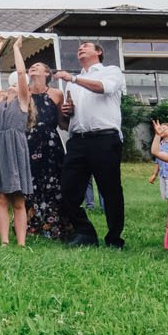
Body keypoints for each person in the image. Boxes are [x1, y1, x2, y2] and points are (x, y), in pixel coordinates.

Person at [55, 43, 127, 248]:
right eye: (78, 47)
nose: (80, 48)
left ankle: (114, 238)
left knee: (110, 190)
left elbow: (105, 88)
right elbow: (69, 116)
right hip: (78, 140)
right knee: (68, 189)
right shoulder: (72, 84)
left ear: (99, 52)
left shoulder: (110, 71)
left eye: (86, 46)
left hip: (105, 138)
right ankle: (84, 233)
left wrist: (73, 78)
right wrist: (68, 111)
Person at [0, 39, 35, 246]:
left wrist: (15, 49)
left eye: (16, 84)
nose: (12, 85)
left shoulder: (23, 101)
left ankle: (21, 242)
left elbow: (22, 74)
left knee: (19, 200)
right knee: (2, 198)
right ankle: (4, 241)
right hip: (0, 147)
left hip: (15, 148)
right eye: (10, 84)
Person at [24, 62, 67, 242]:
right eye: (31, 66)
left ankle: (53, 224)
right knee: (29, 182)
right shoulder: (22, 91)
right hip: (28, 141)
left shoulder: (56, 93)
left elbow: (63, 123)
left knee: (53, 182)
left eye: (38, 66)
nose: (33, 67)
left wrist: (69, 113)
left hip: (50, 143)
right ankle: (29, 223)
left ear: (47, 72)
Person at [149, 121, 168, 202]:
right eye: (160, 128)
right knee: (167, 196)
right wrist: (154, 174)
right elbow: (157, 161)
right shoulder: (159, 145)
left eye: (164, 128)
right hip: (163, 175)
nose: (160, 130)